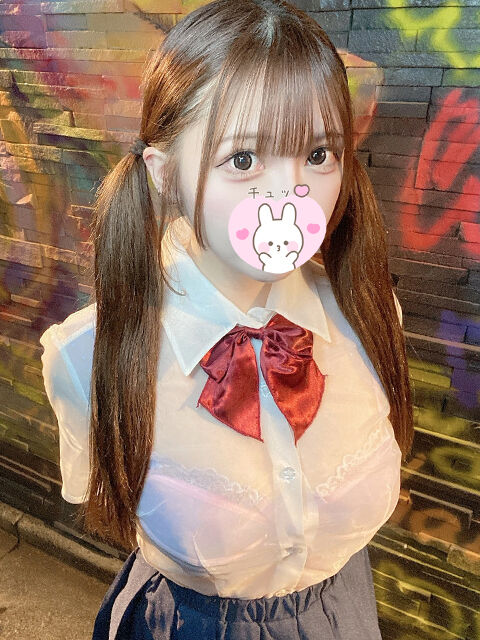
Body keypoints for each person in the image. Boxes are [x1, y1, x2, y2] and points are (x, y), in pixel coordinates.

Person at [39, 1, 413, 638]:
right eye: (243, 159)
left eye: (318, 154)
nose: (290, 196)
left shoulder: (372, 316)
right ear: (164, 174)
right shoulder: (85, 357)